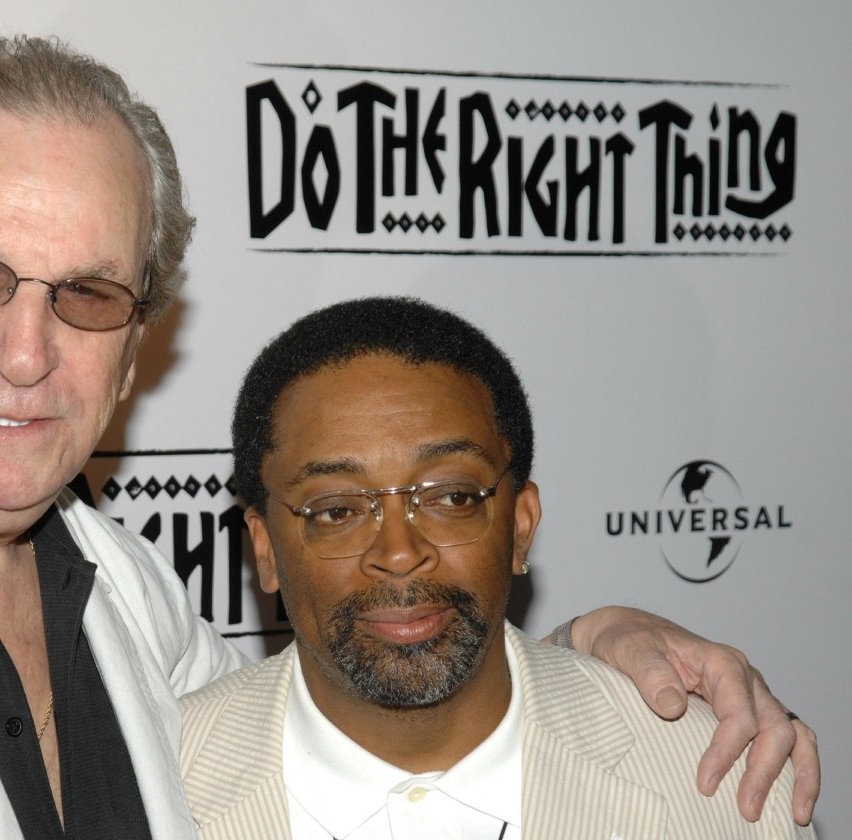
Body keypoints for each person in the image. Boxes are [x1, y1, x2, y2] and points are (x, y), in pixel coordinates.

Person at [0, 38, 815, 840]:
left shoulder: (126, 596)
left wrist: (587, 656)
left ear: (135, 348)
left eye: (89, 294)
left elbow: (351, 715)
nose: (25, 349)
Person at [178, 297, 815, 839]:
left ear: (520, 524)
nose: (399, 553)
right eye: (337, 509)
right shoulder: (153, 789)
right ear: (263, 548)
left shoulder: (724, 787)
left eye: (451, 497)